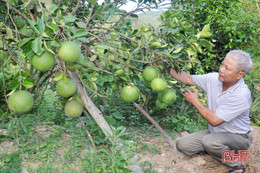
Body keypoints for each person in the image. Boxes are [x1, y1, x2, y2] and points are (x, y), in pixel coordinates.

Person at [169, 50, 254, 173]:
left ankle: (236, 165)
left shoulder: (241, 95)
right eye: (222, 65)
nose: (221, 70)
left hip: (239, 137)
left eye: (227, 69)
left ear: (239, 74)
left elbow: (214, 120)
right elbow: (187, 78)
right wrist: (164, 66)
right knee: (182, 144)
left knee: (209, 141)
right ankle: (215, 150)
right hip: (216, 133)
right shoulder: (214, 79)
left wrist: (195, 102)